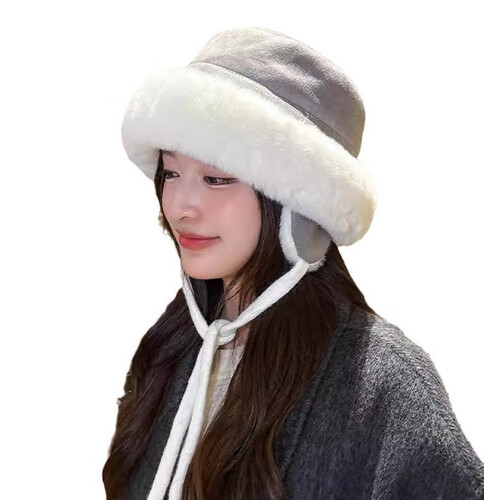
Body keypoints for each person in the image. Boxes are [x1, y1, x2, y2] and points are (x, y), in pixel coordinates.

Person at [103, 27, 484, 500]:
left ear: (296, 209)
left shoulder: (381, 382)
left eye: (216, 178)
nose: (180, 205)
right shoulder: (172, 350)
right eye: (172, 171)